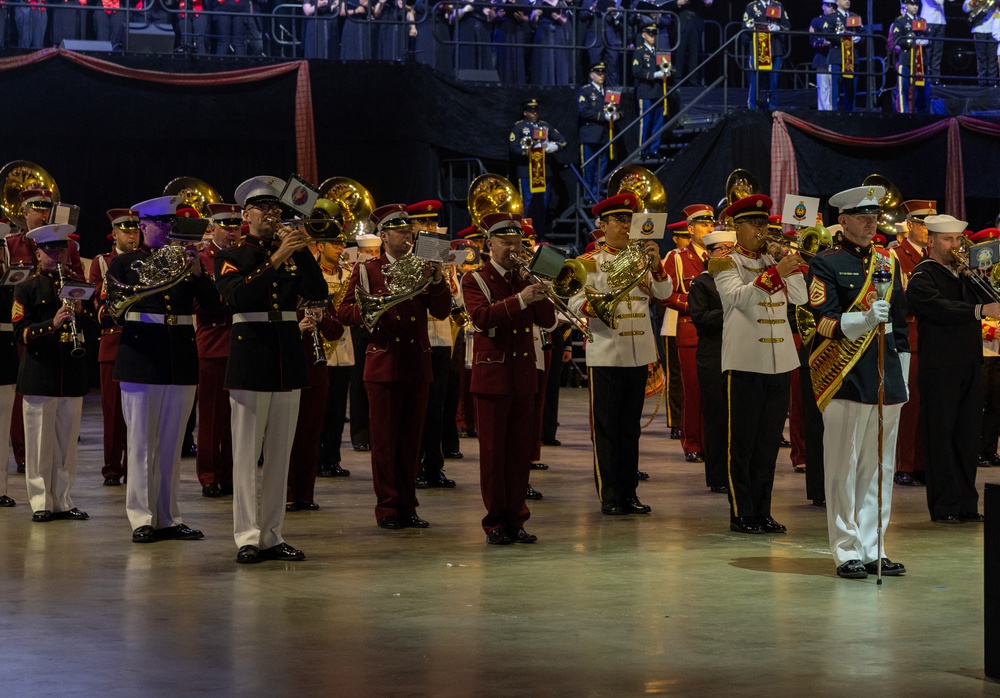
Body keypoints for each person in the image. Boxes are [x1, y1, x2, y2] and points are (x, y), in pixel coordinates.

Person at [214, 176, 327, 563]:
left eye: (277, 209)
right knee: (246, 455)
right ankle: (247, 537)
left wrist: (303, 249)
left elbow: (318, 292)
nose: (272, 215)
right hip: (250, 355)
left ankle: (273, 534)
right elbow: (238, 297)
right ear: (246, 214)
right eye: (264, 208)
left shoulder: (290, 249)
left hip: (286, 355)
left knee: (280, 454)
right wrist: (277, 257)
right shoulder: (233, 253)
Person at [806, 185, 909, 580]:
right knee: (843, 468)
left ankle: (874, 547)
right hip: (845, 376)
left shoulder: (889, 260)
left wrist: (905, 370)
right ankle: (846, 549)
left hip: (886, 376)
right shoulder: (826, 263)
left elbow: (898, 324)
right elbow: (824, 322)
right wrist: (864, 319)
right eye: (862, 215)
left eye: (874, 215)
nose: (871, 222)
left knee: (880, 467)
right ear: (843, 220)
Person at [102, 197, 216, 544]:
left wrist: (197, 273)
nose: (167, 230)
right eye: (160, 224)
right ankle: (141, 518)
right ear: (143, 226)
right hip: (140, 356)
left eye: (170, 224)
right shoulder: (123, 264)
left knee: (170, 444)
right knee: (140, 443)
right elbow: (109, 313)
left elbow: (213, 308)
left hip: (179, 356)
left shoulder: (186, 263)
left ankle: (168, 516)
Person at [338, 204, 451, 530]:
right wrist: (371, 312)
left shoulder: (423, 267)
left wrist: (439, 276)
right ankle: (388, 508)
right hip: (384, 362)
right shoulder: (368, 270)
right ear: (384, 235)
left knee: (410, 441)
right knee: (385, 442)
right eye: (400, 230)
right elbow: (345, 312)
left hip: (416, 361)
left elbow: (442, 311)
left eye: (409, 230)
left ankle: (408, 505)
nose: (407, 234)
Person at [568, 193, 670, 515]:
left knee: (630, 429)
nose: (626, 226)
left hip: (638, 353)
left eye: (629, 220)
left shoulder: (642, 257)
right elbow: (573, 303)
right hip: (607, 351)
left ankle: (630, 493)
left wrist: (656, 265)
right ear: (603, 224)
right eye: (619, 221)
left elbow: (665, 293)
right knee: (608, 429)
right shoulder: (590, 262)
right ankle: (610, 494)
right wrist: (602, 304)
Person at [713, 193, 806, 534]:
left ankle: (763, 511)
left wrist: (787, 264)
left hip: (779, 361)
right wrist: (774, 274)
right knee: (742, 443)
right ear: (735, 227)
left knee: (768, 443)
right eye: (753, 224)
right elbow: (737, 299)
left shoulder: (773, 257)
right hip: (745, 361)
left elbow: (802, 298)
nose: (761, 230)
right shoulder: (725, 261)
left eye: (764, 223)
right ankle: (741, 512)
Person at [462, 212, 556, 544]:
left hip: (523, 374)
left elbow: (548, 321)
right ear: (489, 245)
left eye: (517, 242)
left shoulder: (524, 277)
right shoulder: (476, 279)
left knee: (519, 453)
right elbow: (480, 318)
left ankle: (517, 518)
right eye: (506, 242)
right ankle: (495, 522)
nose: (513, 248)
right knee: (492, 454)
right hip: (493, 376)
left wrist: (543, 287)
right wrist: (520, 299)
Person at [907, 213, 1000, 524]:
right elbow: (939, 309)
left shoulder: (962, 273)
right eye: (948, 240)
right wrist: (979, 310)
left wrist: (977, 277)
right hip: (940, 367)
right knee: (941, 435)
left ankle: (966, 504)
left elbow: (991, 299)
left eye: (958, 239)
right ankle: (945, 505)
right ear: (931, 241)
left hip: (970, 363)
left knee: (967, 435)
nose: (955, 245)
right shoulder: (923, 275)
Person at [13, 223, 90, 522]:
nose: (57, 255)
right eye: (50, 249)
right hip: (40, 372)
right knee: (39, 443)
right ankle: (40, 501)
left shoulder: (75, 283)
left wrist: (81, 313)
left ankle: (63, 500)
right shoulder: (27, 286)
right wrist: (52, 324)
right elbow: (22, 332)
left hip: (70, 370)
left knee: (66, 443)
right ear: (38, 251)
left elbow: (92, 329)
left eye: (61, 248)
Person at [407, 200, 460, 489]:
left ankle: (434, 466)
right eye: (423, 223)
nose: (429, 228)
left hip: (441, 338)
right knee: (418, 406)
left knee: (438, 406)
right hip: (418, 338)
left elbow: (455, 298)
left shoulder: (442, 256)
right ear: (411, 227)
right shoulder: (407, 259)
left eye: (432, 222)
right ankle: (413, 466)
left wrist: (444, 273)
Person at [89, 209, 141, 488]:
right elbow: (100, 302)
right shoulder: (101, 261)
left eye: (135, 229)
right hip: (112, 341)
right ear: (115, 234)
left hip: (140, 340)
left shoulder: (145, 260)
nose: (132, 234)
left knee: (139, 413)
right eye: (126, 230)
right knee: (112, 412)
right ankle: (112, 468)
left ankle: (136, 465)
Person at [195, 203, 241, 498]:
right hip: (212, 343)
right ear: (213, 228)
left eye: (236, 226)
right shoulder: (202, 258)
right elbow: (197, 303)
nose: (232, 231)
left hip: (240, 344)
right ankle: (209, 474)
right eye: (226, 226)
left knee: (238, 419)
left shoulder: (242, 256)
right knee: (211, 417)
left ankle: (229, 473)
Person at [663, 204, 714, 464]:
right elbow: (666, 295)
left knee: (714, 392)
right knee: (692, 391)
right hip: (691, 331)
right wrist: (694, 305)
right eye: (703, 224)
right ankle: (692, 442)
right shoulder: (678, 257)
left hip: (717, 332)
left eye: (711, 223)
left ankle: (711, 442)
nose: (709, 227)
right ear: (690, 229)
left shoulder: (721, 256)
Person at [688, 227, 734, 494]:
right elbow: (701, 320)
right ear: (709, 254)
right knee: (716, 415)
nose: (726, 253)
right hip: (712, 354)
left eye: (730, 248)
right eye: (721, 249)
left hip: (735, 352)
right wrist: (729, 308)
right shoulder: (702, 283)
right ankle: (717, 475)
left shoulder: (738, 279)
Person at [892, 199, 934, 486]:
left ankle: (920, 463)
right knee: (909, 407)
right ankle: (903, 464)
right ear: (911, 225)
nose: (928, 230)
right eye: (924, 224)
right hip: (909, 336)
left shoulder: (932, 255)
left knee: (926, 405)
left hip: (930, 337)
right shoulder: (896, 255)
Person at [317, 232, 354, 478]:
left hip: (344, 348)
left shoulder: (349, 274)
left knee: (338, 409)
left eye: (342, 243)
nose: (341, 248)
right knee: (321, 408)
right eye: (335, 243)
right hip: (320, 346)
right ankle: (317, 457)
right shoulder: (313, 273)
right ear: (320, 245)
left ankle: (332, 457)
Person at [508, 98, 566, 238]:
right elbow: (513, 148)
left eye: (536, 110)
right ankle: (527, 235)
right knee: (528, 205)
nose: (534, 113)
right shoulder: (520, 127)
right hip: (527, 171)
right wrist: (531, 152)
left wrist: (552, 147)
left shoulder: (544, 126)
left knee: (543, 206)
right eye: (531, 111)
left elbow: (562, 140)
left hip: (544, 172)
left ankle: (539, 234)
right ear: (525, 112)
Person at [348, 233, 382, 450]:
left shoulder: (381, 270)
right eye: (368, 252)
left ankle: (374, 432)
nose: (372, 256)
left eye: (376, 252)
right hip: (359, 332)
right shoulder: (355, 271)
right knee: (359, 385)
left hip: (379, 331)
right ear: (359, 252)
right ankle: (360, 434)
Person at [578, 62, 619, 205]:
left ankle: (598, 193)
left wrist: (617, 115)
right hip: (590, 135)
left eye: (603, 73)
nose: (602, 76)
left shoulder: (609, 92)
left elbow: (619, 108)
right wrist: (603, 116)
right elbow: (583, 110)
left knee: (601, 169)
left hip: (605, 136)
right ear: (592, 75)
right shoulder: (586, 91)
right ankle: (589, 196)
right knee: (589, 168)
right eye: (598, 73)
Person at [632, 24, 670, 161]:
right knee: (646, 122)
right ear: (644, 35)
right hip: (646, 91)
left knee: (657, 123)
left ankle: (654, 149)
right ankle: (643, 150)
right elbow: (636, 72)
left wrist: (668, 71)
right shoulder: (640, 51)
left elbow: (669, 67)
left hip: (658, 92)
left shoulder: (659, 52)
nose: (652, 36)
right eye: (650, 34)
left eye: (654, 34)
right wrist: (654, 75)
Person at [743, 0, 790, 110]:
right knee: (755, 80)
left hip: (775, 48)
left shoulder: (778, 5)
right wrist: (762, 28)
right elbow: (746, 26)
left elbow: (787, 24)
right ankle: (752, 107)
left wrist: (778, 28)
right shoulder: (752, 6)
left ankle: (772, 107)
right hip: (758, 48)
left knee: (774, 80)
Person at [822, 0, 863, 111]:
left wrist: (859, 38)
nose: (847, 1)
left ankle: (851, 113)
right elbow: (827, 33)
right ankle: (834, 113)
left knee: (851, 90)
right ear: (837, 2)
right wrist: (843, 39)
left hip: (852, 58)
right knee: (835, 89)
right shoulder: (832, 17)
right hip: (837, 57)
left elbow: (863, 33)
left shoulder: (855, 17)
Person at [891, 0, 931, 114]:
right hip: (906, 59)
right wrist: (912, 41)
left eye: (917, 4)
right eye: (912, 4)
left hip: (921, 61)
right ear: (906, 6)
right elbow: (897, 38)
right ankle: (904, 113)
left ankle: (922, 114)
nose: (915, 7)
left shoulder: (923, 21)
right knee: (904, 88)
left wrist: (925, 41)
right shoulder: (900, 21)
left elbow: (929, 37)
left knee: (922, 89)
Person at [674, 0, 713, 85]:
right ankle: (678, 78)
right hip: (682, 19)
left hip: (696, 20)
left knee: (694, 53)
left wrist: (709, 2)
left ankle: (693, 79)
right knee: (680, 51)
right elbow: (670, 3)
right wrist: (678, 2)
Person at [964, 0, 999, 86]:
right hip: (979, 28)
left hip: (993, 29)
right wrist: (973, 2)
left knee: (992, 58)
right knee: (981, 58)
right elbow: (965, 8)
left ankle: (992, 82)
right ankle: (982, 82)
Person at [810, 0, 836, 111]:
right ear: (823, 7)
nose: (831, 8)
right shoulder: (816, 21)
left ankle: (833, 109)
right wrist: (822, 42)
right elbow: (812, 40)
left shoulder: (838, 20)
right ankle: (823, 111)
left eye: (833, 6)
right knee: (823, 87)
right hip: (822, 56)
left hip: (835, 56)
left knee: (834, 86)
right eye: (828, 6)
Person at [920, 0, 946, 84]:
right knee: (928, 51)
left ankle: (936, 79)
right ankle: (927, 77)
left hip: (941, 20)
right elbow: (938, 1)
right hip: (928, 20)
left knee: (938, 52)